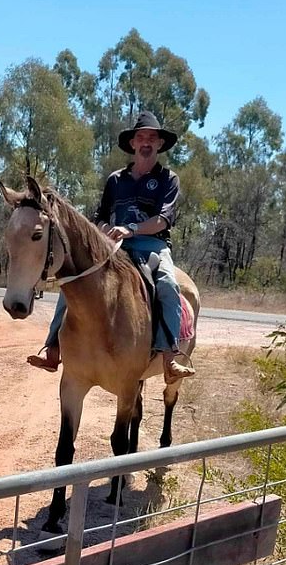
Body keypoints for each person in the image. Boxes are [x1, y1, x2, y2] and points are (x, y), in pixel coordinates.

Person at [27, 111, 195, 384]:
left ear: (160, 144)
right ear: (132, 144)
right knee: (72, 281)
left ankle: (169, 356)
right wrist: (104, 230)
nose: (146, 142)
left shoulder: (168, 179)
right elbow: (100, 217)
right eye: (141, 137)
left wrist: (132, 229)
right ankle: (53, 348)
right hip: (113, 246)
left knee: (167, 284)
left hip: (152, 245)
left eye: (152, 138)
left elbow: (163, 220)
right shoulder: (116, 180)